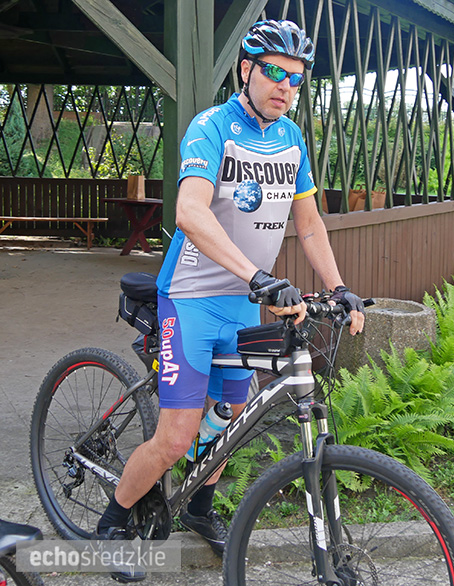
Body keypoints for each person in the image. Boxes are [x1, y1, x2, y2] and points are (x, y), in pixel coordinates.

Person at [94, 19, 365, 582]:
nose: (286, 86)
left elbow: (309, 224)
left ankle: (197, 507)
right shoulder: (212, 127)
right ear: (246, 70)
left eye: (296, 78)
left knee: (229, 419)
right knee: (176, 437)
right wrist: (258, 276)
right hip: (191, 299)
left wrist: (339, 287)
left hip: (243, 301)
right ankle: (112, 524)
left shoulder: (292, 140)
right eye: (274, 72)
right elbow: (189, 213)